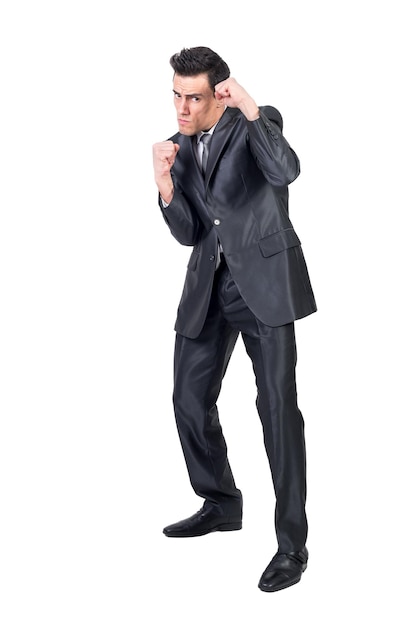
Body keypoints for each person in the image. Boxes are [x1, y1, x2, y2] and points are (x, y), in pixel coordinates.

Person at [152, 46, 317, 592]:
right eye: (176, 95)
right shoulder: (177, 145)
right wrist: (166, 188)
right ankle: (221, 500)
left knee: (276, 410)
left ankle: (292, 545)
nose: (181, 107)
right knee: (187, 398)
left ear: (219, 93)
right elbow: (189, 232)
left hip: (264, 287)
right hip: (209, 288)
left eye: (192, 97)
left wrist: (248, 105)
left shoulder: (256, 122)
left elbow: (286, 170)